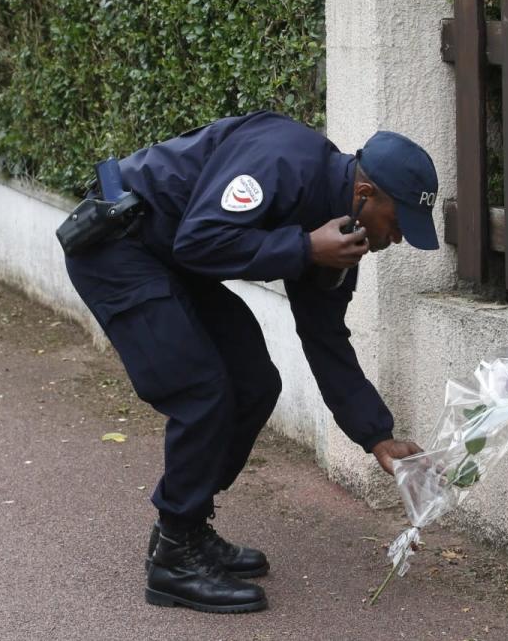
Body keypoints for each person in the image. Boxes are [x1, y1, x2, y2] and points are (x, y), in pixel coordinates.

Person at [62, 110, 435, 614]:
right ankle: (173, 559)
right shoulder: (282, 162)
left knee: (255, 381)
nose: (396, 240)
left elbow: (326, 338)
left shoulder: (343, 232)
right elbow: (199, 239)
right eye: (398, 224)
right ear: (366, 195)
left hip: (170, 253)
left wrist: (377, 434)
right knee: (202, 390)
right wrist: (303, 247)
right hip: (119, 244)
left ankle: (187, 526)